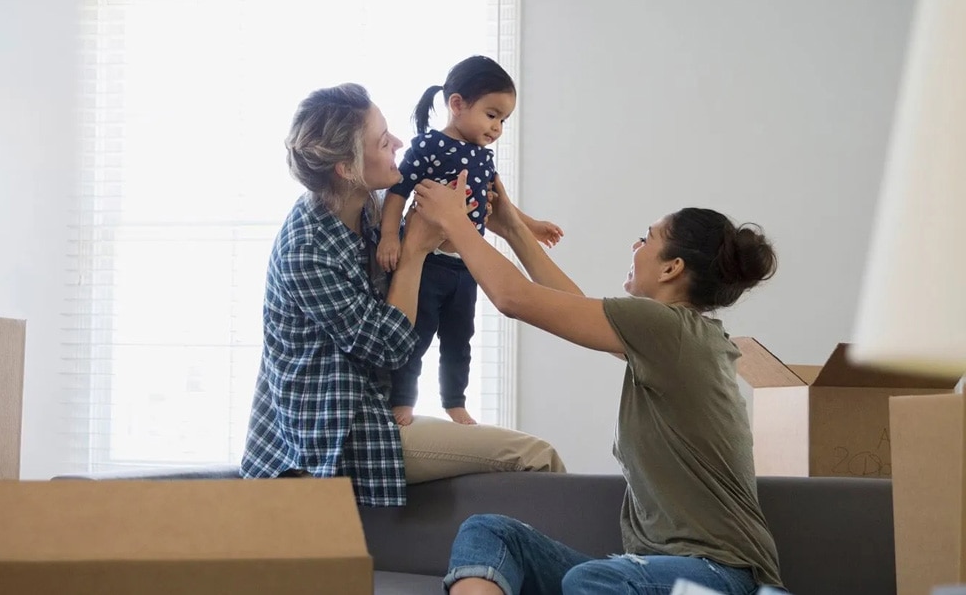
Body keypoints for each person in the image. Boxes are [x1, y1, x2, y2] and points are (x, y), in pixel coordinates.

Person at [411, 173, 783, 594]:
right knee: (491, 533)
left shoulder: (670, 331)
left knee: (591, 580)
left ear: (672, 267)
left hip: (720, 578)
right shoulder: (673, 339)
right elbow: (573, 305)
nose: (635, 246)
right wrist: (512, 227)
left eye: (647, 238)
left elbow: (513, 297)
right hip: (655, 570)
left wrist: (453, 220)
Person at [240, 83, 564, 507]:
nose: (398, 143)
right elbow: (392, 347)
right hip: (338, 433)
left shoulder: (372, 210)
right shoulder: (308, 248)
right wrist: (414, 251)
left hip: (374, 406)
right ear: (346, 168)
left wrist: (496, 225)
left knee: (531, 455)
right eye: (382, 140)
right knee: (537, 457)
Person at [377, 56, 563, 427]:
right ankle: (402, 400)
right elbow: (397, 191)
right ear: (457, 104)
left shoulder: (483, 158)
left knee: (460, 339)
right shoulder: (429, 146)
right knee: (416, 335)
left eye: (503, 121)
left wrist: (532, 226)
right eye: (492, 115)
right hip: (429, 262)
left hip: (466, 267)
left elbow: (503, 209)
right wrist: (388, 236)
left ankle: (454, 400)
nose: (497, 127)